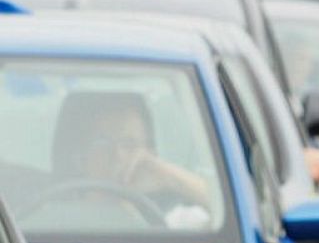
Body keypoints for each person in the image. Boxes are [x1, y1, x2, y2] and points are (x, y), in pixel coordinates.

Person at [53, 91, 212, 226]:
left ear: (150, 155)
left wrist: (166, 176)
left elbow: (228, 209)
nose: (118, 155)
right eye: (103, 143)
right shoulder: (52, 220)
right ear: (80, 158)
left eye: (129, 144)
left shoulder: (172, 221)